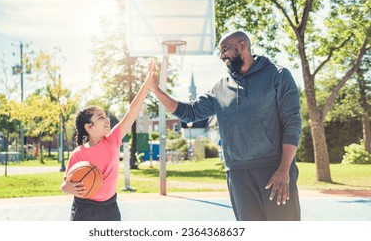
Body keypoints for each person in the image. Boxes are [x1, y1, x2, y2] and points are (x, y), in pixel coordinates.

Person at [149, 31, 302, 221]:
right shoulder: (220, 89)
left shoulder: (278, 75)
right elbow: (189, 113)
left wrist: (284, 169)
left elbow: (292, 122)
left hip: (273, 170)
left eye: (225, 49)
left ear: (242, 47)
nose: (221, 56)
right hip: (237, 174)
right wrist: (156, 91)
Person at [60, 61, 155, 221]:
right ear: (89, 126)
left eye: (106, 116)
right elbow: (65, 186)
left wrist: (147, 83)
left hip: (109, 209)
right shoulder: (78, 155)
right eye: (101, 117)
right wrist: (68, 187)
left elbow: (132, 111)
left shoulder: (113, 140)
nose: (107, 120)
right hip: (84, 209)